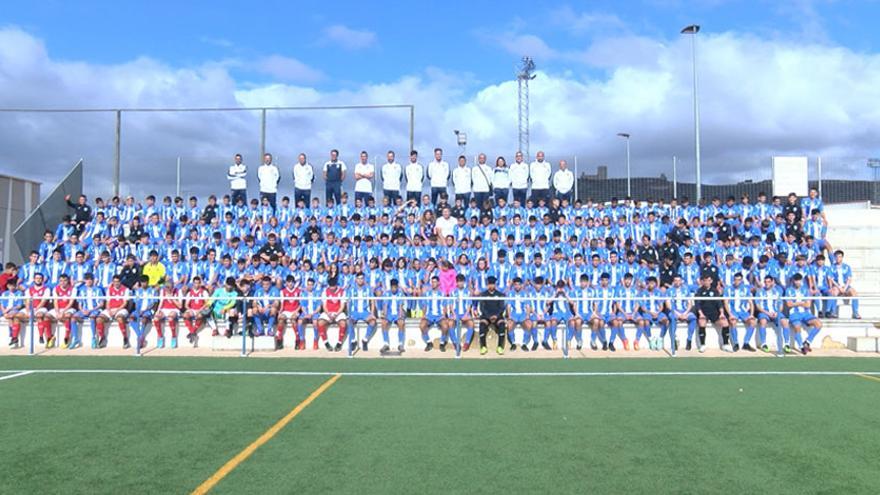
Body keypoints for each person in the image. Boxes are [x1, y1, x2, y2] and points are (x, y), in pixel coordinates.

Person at [786, 273, 822, 354]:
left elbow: (808, 304)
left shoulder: (805, 290)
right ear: (793, 281)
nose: (797, 282)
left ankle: (807, 341)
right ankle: (801, 347)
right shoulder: (788, 290)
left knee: (818, 324)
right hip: (794, 313)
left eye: (799, 280)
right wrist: (801, 302)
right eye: (796, 280)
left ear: (801, 281)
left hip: (805, 313)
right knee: (797, 327)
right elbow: (788, 304)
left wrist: (795, 303)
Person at [694, 274, 730, 353]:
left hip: (714, 312)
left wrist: (721, 313)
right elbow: (697, 304)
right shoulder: (699, 291)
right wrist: (701, 314)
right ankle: (702, 345)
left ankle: (726, 344)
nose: (707, 282)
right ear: (702, 281)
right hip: (704, 312)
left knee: (725, 322)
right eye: (705, 281)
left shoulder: (715, 290)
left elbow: (719, 303)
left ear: (711, 281)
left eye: (709, 280)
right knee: (702, 322)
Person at [724, 273, 755, 352]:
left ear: (741, 280)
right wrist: (730, 314)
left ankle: (746, 343)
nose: (736, 281)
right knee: (733, 321)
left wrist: (751, 314)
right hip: (733, 311)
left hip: (743, 311)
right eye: (735, 280)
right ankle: (735, 343)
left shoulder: (745, 289)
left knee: (752, 322)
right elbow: (726, 302)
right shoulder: (728, 289)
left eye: (738, 280)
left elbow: (751, 302)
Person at [477, 276, 507, 355]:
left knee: (502, 325)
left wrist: (496, 316)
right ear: (487, 285)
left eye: (493, 284)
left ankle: (500, 347)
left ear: (495, 285)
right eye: (490, 284)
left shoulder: (500, 295)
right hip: (487, 316)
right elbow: (482, 308)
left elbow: (502, 307)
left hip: (497, 315)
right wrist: (489, 316)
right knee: (482, 325)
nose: (491, 286)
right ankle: (483, 347)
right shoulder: (483, 294)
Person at [347, 272, 377, 352]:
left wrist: (372, 313)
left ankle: (365, 340)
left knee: (373, 322)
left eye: (362, 278)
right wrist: (349, 313)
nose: (360, 280)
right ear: (356, 279)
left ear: (364, 280)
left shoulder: (368, 289)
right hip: (354, 312)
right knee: (349, 321)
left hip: (365, 312)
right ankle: (353, 341)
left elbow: (372, 301)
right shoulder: (351, 289)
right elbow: (348, 302)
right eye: (359, 278)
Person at [317, 277, 348, 352]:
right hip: (328, 311)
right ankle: (326, 343)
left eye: (333, 286)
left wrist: (336, 314)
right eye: (330, 286)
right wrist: (328, 314)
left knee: (343, 323)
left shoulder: (342, 291)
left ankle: (339, 343)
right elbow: (324, 305)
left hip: (338, 312)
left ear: (336, 285)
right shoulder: (325, 291)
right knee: (320, 322)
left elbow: (342, 305)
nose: (332, 288)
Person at [73, 274, 103, 349]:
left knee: (92, 317)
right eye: (87, 279)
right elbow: (79, 304)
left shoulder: (98, 290)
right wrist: (82, 310)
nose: (89, 281)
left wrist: (91, 310)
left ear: (93, 280)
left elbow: (101, 304)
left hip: (95, 309)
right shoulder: (82, 290)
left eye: (90, 279)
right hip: (84, 310)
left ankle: (93, 338)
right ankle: (75, 339)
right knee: (73, 318)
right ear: (85, 281)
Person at [129, 275, 158, 349]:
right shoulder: (138, 291)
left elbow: (154, 303)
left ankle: (140, 336)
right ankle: (140, 336)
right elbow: (136, 303)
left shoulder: (153, 291)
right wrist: (138, 311)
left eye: (144, 282)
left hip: (148, 310)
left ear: (147, 282)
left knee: (144, 319)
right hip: (139, 310)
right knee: (131, 318)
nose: (143, 284)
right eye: (142, 282)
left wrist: (145, 310)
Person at [48, 274, 76, 349]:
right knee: (46, 317)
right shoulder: (55, 288)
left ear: (68, 281)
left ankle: (66, 338)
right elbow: (55, 301)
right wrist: (57, 312)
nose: (63, 282)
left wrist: (62, 312)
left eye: (65, 280)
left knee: (67, 316)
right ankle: (50, 337)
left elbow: (71, 303)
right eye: (61, 281)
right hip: (58, 308)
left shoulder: (73, 289)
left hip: (68, 308)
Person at [103, 275, 131, 348]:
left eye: (117, 281)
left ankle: (125, 338)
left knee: (120, 318)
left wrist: (116, 310)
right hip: (110, 309)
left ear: (120, 282)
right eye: (114, 281)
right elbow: (107, 302)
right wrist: (109, 310)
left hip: (121, 309)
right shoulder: (109, 289)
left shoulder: (126, 289)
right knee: (99, 319)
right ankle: (102, 337)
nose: (116, 283)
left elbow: (125, 303)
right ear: (112, 282)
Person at [182, 276, 210, 347]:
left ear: (200, 284)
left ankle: (192, 332)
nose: (196, 285)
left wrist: (200, 310)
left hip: (201, 309)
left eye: (198, 283)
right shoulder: (190, 293)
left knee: (200, 316)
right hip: (193, 310)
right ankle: (193, 332)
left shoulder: (204, 292)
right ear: (193, 284)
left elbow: (207, 303)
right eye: (195, 283)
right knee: (185, 315)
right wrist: (190, 310)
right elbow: (186, 305)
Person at [154, 278, 182, 349]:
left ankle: (173, 336)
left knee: (170, 318)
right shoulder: (162, 291)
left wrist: (172, 298)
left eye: (169, 288)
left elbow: (180, 306)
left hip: (174, 309)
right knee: (156, 318)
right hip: (164, 309)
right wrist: (158, 310)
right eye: (166, 287)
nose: (167, 289)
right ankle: (160, 337)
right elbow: (161, 302)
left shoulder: (178, 291)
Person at [277, 275, 302, 348]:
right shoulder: (283, 291)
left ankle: (297, 339)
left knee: (293, 319)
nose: (290, 284)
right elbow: (282, 304)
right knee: (281, 319)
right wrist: (280, 312)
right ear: (286, 283)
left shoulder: (298, 291)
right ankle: (279, 339)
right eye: (289, 282)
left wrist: (296, 311)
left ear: (294, 283)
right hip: (286, 310)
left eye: (292, 282)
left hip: (295, 310)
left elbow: (300, 304)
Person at [1, 279, 24, 348]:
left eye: (14, 286)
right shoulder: (4, 293)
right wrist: (4, 311)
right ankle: (14, 338)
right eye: (10, 286)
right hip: (6, 311)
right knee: (9, 316)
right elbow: (2, 304)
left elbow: (19, 305)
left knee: (13, 317)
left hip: (14, 310)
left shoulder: (19, 293)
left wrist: (9, 309)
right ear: (8, 286)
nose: (12, 287)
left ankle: (13, 337)